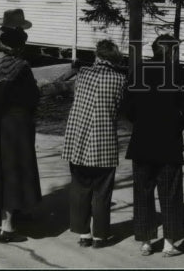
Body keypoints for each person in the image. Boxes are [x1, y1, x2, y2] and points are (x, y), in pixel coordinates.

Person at [123, 34, 184, 257]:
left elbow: (127, 106)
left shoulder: (140, 71)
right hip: (168, 140)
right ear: (172, 52)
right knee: (170, 192)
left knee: (142, 191)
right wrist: (181, 123)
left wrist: (139, 121)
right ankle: (169, 243)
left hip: (142, 139)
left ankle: (145, 241)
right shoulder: (179, 73)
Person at [0, 9, 42, 241]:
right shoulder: (21, 68)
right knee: (12, 173)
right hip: (15, 126)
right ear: (17, 45)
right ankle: (8, 225)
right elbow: (32, 98)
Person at [61, 39, 128, 248]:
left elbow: (76, 98)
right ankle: (100, 235)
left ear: (97, 56)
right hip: (103, 138)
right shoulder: (119, 80)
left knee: (80, 187)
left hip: (78, 138)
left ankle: (83, 233)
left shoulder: (82, 75)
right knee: (102, 189)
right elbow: (119, 108)